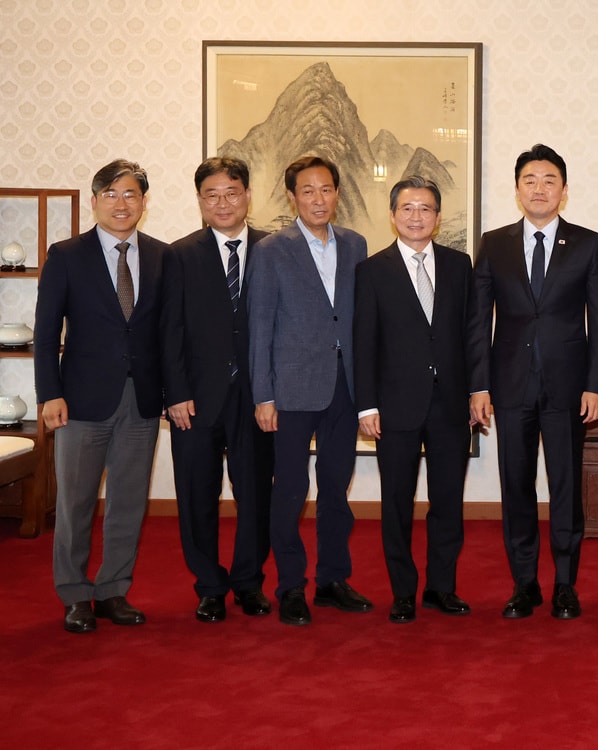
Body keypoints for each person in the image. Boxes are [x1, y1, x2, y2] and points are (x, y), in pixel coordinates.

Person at [469, 144, 598, 620]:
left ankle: (566, 584)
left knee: (566, 487)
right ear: (517, 189)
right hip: (509, 386)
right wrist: (479, 386)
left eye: (549, 180)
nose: (539, 188)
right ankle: (524, 584)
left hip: (569, 388)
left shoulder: (587, 244)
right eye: (530, 180)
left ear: (563, 191)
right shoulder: (495, 243)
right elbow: (477, 322)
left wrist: (595, 384)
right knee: (516, 487)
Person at [35, 159, 168, 634]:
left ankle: (113, 590)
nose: (121, 203)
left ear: (143, 202)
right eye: (110, 194)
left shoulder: (161, 256)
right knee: (75, 502)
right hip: (80, 400)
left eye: (130, 194)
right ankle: (75, 594)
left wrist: (171, 392)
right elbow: (46, 333)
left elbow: (168, 332)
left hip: (142, 400)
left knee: (129, 501)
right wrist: (49, 393)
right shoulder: (66, 255)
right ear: (94, 201)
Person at [247, 155, 370, 626]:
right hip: (291, 389)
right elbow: (260, 327)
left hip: (345, 388)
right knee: (291, 491)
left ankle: (333, 580)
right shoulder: (271, 250)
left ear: (337, 193)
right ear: (292, 196)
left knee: (336, 488)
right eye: (308, 191)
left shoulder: (356, 244)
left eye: (326, 189)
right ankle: (291, 586)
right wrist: (263, 396)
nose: (318, 199)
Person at [355, 176, 476, 624]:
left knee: (448, 503)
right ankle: (403, 591)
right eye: (407, 208)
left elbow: (471, 335)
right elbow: (363, 342)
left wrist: (476, 391)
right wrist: (366, 405)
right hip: (394, 407)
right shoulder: (371, 271)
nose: (416, 216)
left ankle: (441, 587)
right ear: (392, 215)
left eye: (425, 208)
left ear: (438, 217)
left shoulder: (460, 265)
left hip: (450, 406)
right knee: (397, 504)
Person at [160, 156, 274, 622]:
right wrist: (174, 392)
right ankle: (209, 585)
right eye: (212, 195)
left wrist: (274, 391)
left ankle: (248, 582)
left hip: (257, 397)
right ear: (200, 200)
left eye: (232, 193)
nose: (223, 203)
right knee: (196, 495)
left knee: (256, 494)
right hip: (195, 398)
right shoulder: (179, 255)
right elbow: (168, 330)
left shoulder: (273, 249)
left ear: (248, 195)